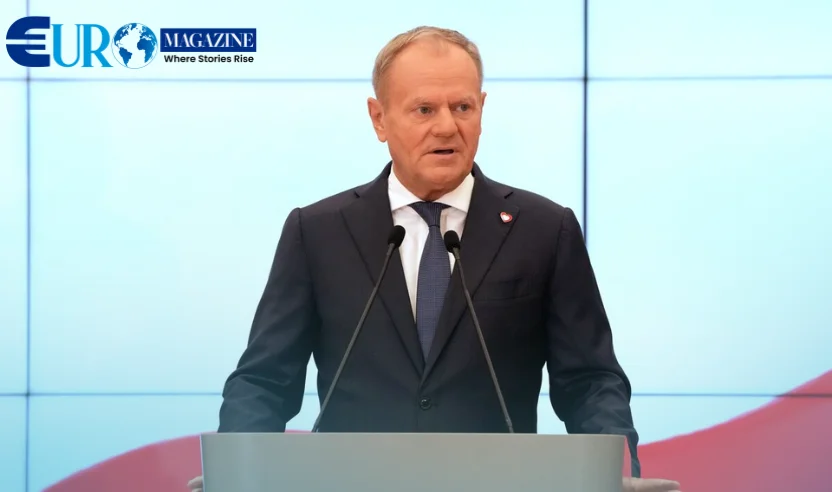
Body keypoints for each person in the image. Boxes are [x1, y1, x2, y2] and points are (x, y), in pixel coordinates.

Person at [188, 26, 681, 492]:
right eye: (424, 109)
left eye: (462, 106)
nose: (447, 126)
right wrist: (236, 473)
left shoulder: (544, 229)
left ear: (482, 109)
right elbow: (265, 380)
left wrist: (617, 475)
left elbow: (590, 381)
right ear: (379, 118)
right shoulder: (318, 231)